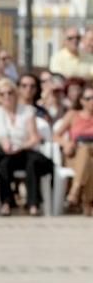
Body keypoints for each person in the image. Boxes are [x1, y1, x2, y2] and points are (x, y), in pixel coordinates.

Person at [0, 77, 51, 216]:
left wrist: (20, 147)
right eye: (2, 94)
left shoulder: (27, 111)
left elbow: (35, 137)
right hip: (4, 151)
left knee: (33, 163)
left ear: (16, 93)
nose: (7, 96)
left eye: (10, 92)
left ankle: (33, 204)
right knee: (4, 163)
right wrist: (2, 141)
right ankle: (6, 203)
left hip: (24, 149)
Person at [56, 84, 93, 214]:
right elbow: (55, 135)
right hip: (75, 155)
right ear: (82, 101)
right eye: (89, 98)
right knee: (85, 152)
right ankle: (87, 202)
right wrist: (66, 143)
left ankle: (75, 192)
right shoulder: (73, 115)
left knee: (89, 158)